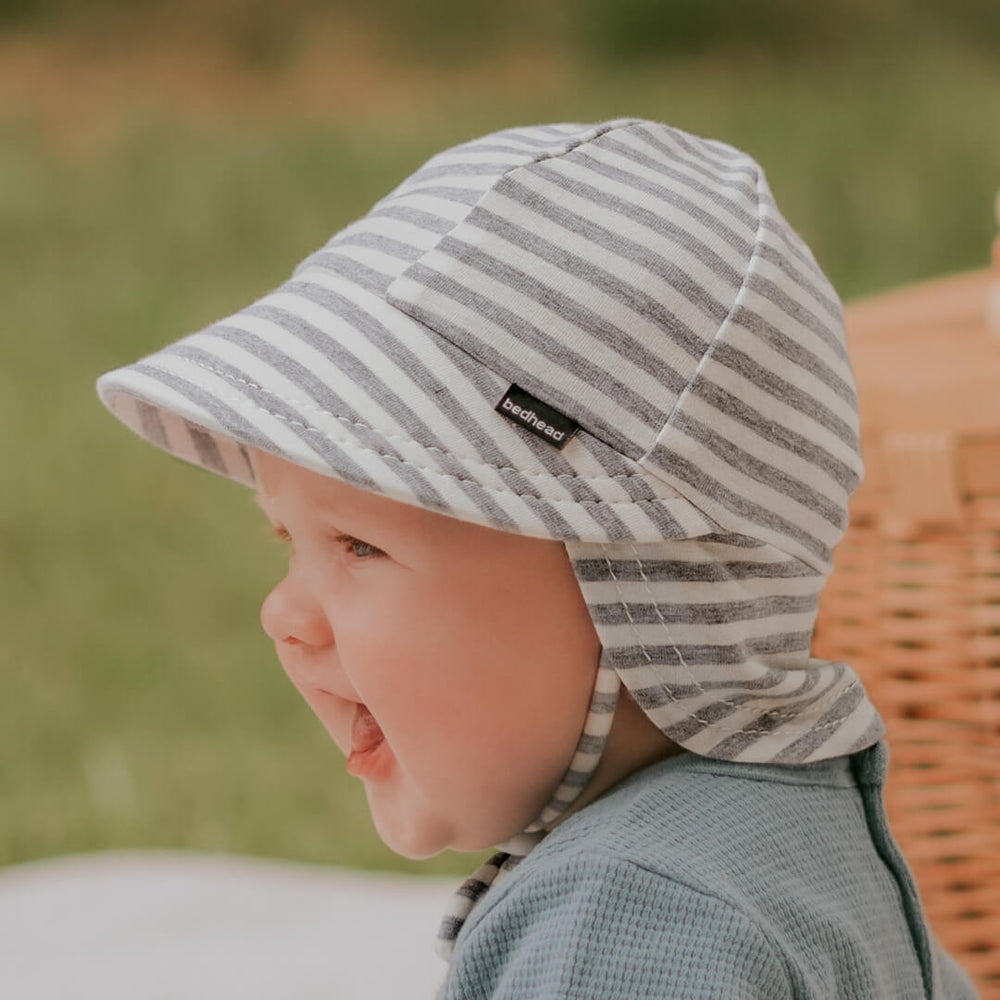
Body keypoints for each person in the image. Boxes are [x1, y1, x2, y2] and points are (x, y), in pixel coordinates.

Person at [96, 118, 978, 998]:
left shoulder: (630, 921)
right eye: (286, 541)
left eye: (360, 544)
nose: (281, 615)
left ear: (650, 594)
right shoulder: (802, 842)